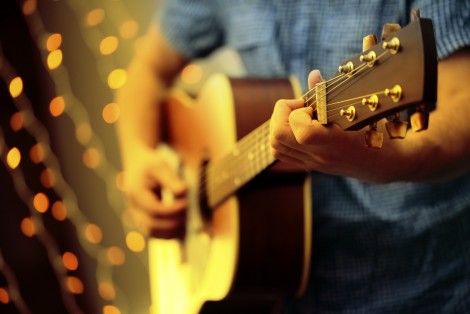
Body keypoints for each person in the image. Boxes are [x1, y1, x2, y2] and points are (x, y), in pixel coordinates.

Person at [116, 1, 470, 312]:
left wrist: (385, 159)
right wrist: (137, 158)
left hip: (423, 287)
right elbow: (147, 70)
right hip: (273, 284)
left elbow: (464, 103)